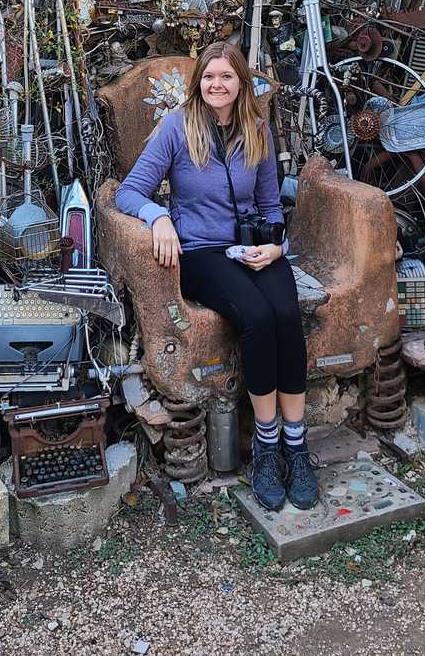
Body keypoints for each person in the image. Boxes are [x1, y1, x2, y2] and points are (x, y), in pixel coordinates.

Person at [115, 41, 318, 511]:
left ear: (241, 83)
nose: (217, 85)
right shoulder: (176, 128)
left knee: (286, 313)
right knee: (256, 316)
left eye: (226, 77)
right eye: (209, 77)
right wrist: (159, 218)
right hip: (203, 253)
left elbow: (270, 205)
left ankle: (296, 446)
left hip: (254, 249)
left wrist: (276, 246)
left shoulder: (257, 130)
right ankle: (266, 449)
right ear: (198, 83)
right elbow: (130, 192)